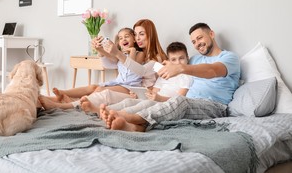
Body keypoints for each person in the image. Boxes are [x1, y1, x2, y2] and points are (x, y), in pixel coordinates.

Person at [100, 22, 240, 132]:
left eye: (199, 38)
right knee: (150, 103)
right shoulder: (195, 59)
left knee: (180, 101)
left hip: (215, 106)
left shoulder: (229, 57)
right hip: (191, 103)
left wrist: (180, 68)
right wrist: (165, 65)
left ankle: (130, 118)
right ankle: (121, 117)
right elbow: (176, 66)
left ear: (211, 34)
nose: (197, 44)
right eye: (193, 42)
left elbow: (212, 70)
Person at [39, 19, 168, 110]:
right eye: (136, 34)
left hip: (139, 91)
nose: (138, 38)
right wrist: (101, 50)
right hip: (127, 86)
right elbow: (112, 64)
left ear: (150, 35)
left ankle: (65, 105)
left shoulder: (157, 58)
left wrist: (119, 53)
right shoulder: (137, 53)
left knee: (102, 91)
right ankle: (60, 96)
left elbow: (140, 71)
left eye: (142, 34)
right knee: (94, 86)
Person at [79, 41, 193, 114]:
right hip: (155, 100)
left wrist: (158, 99)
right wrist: (141, 95)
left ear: (188, 58)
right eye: (173, 59)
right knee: (130, 101)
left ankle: (107, 112)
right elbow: (153, 92)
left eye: (181, 58)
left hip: (166, 104)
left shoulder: (187, 76)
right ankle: (100, 110)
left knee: (142, 106)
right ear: (169, 60)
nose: (178, 62)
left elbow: (180, 100)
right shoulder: (164, 75)